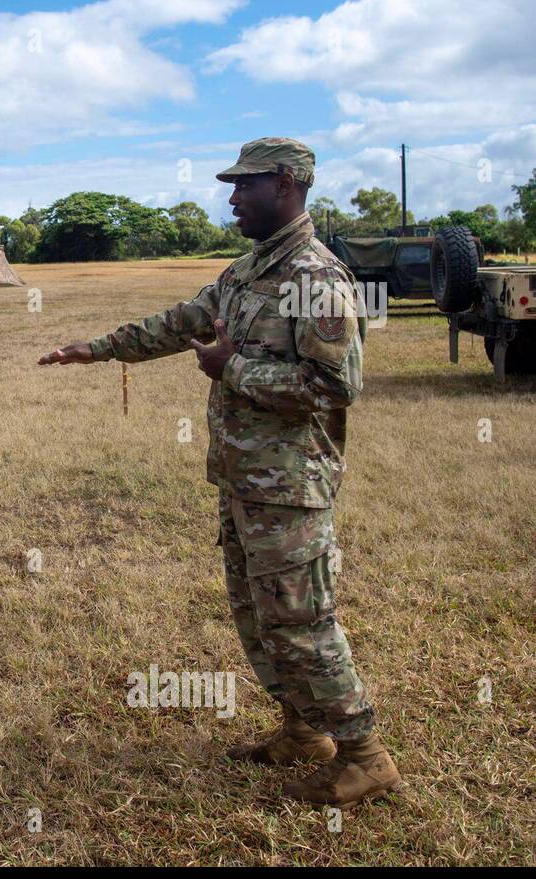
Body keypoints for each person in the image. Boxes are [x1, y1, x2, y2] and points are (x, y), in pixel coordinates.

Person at [38, 138, 400, 809]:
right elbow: (182, 323)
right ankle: (301, 732)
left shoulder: (315, 280)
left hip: (290, 488)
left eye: (245, 185)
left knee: (302, 620)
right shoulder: (246, 273)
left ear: (287, 185)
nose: (232, 197)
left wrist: (228, 367)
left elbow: (333, 387)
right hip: (242, 480)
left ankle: (364, 755)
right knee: (257, 617)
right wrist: (94, 350)